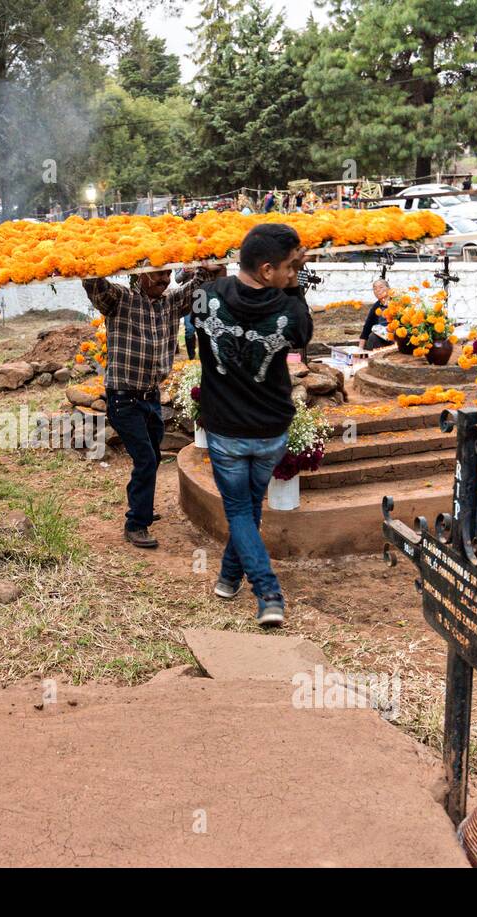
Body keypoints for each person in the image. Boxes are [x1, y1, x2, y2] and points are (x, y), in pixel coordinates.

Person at [191, 223, 312, 628]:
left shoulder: (204, 298)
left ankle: (249, 585)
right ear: (266, 270)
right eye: (289, 267)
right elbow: (303, 333)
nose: (293, 274)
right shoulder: (289, 309)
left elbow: (196, 330)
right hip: (270, 429)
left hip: (226, 430)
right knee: (247, 510)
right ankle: (247, 585)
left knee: (241, 511)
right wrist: (294, 289)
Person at [83, 264, 221, 548]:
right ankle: (136, 523)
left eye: (168, 274)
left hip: (150, 396)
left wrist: (207, 269)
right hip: (124, 398)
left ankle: (141, 506)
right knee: (146, 459)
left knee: (153, 457)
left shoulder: (170, 303)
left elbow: (193, 290)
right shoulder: (121, 299)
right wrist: (88, 263)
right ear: (140, 275)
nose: (165, 279)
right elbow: (96, 286)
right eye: (158, 273)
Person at [359, 278, 394, 349]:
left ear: (389, 289)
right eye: (375, 288)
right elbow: (367, 327)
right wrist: (360, 349)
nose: (377, 290)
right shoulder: (376, 306)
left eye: (381, 287)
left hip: (397, 336)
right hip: (382, 337)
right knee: (372, 337)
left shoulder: (397, 302)